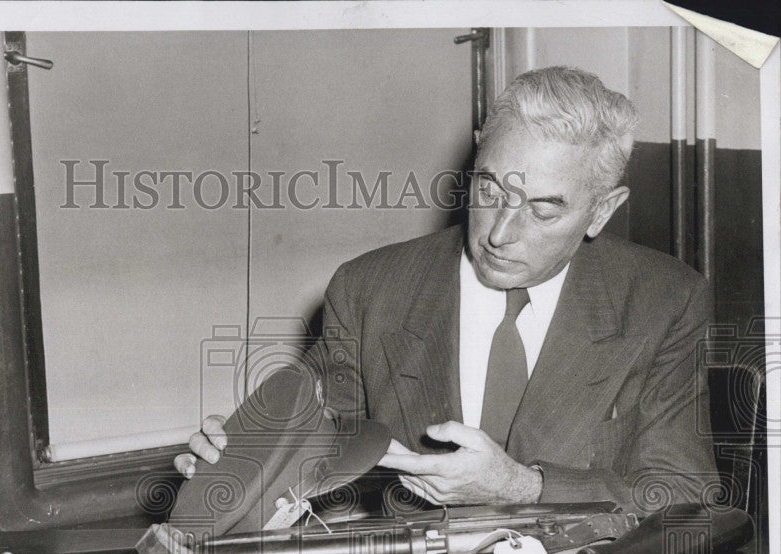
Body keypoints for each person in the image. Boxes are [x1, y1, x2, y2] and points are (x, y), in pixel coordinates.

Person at [175, 66, 718, 515]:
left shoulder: (663, 301)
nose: (499, 234)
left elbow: (685, 496)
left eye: (544, 208)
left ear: (602, 210)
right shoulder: (370, 292)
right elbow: (315, 449)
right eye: (489, 188)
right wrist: (235, 468)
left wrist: (524, 487)